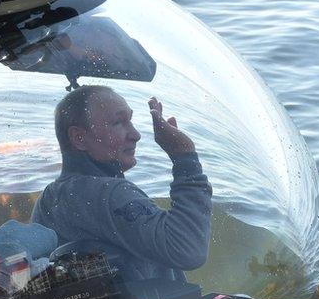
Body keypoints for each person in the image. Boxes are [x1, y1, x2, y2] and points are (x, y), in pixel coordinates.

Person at [31, 85, 213, 283]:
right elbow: (187, 249)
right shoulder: (109, 193)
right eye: (118, 123)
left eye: (130, 121)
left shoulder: (48, 198)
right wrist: (184, 157)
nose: (135, 134)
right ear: (79, 138)